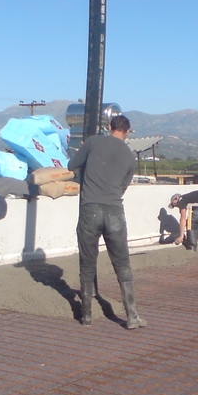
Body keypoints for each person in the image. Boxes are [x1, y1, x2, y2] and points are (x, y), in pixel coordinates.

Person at [68, 115, 146, 329]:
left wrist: (84, 151)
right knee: (122, 264)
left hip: (90, 209)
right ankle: (132, 316)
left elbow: (72, 165)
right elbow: (123, 187)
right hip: (114, 211)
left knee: (87, 263)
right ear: (128, 131)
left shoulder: (93, 142)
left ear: (109, 127)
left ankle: (86, 316)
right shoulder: (130, 156)